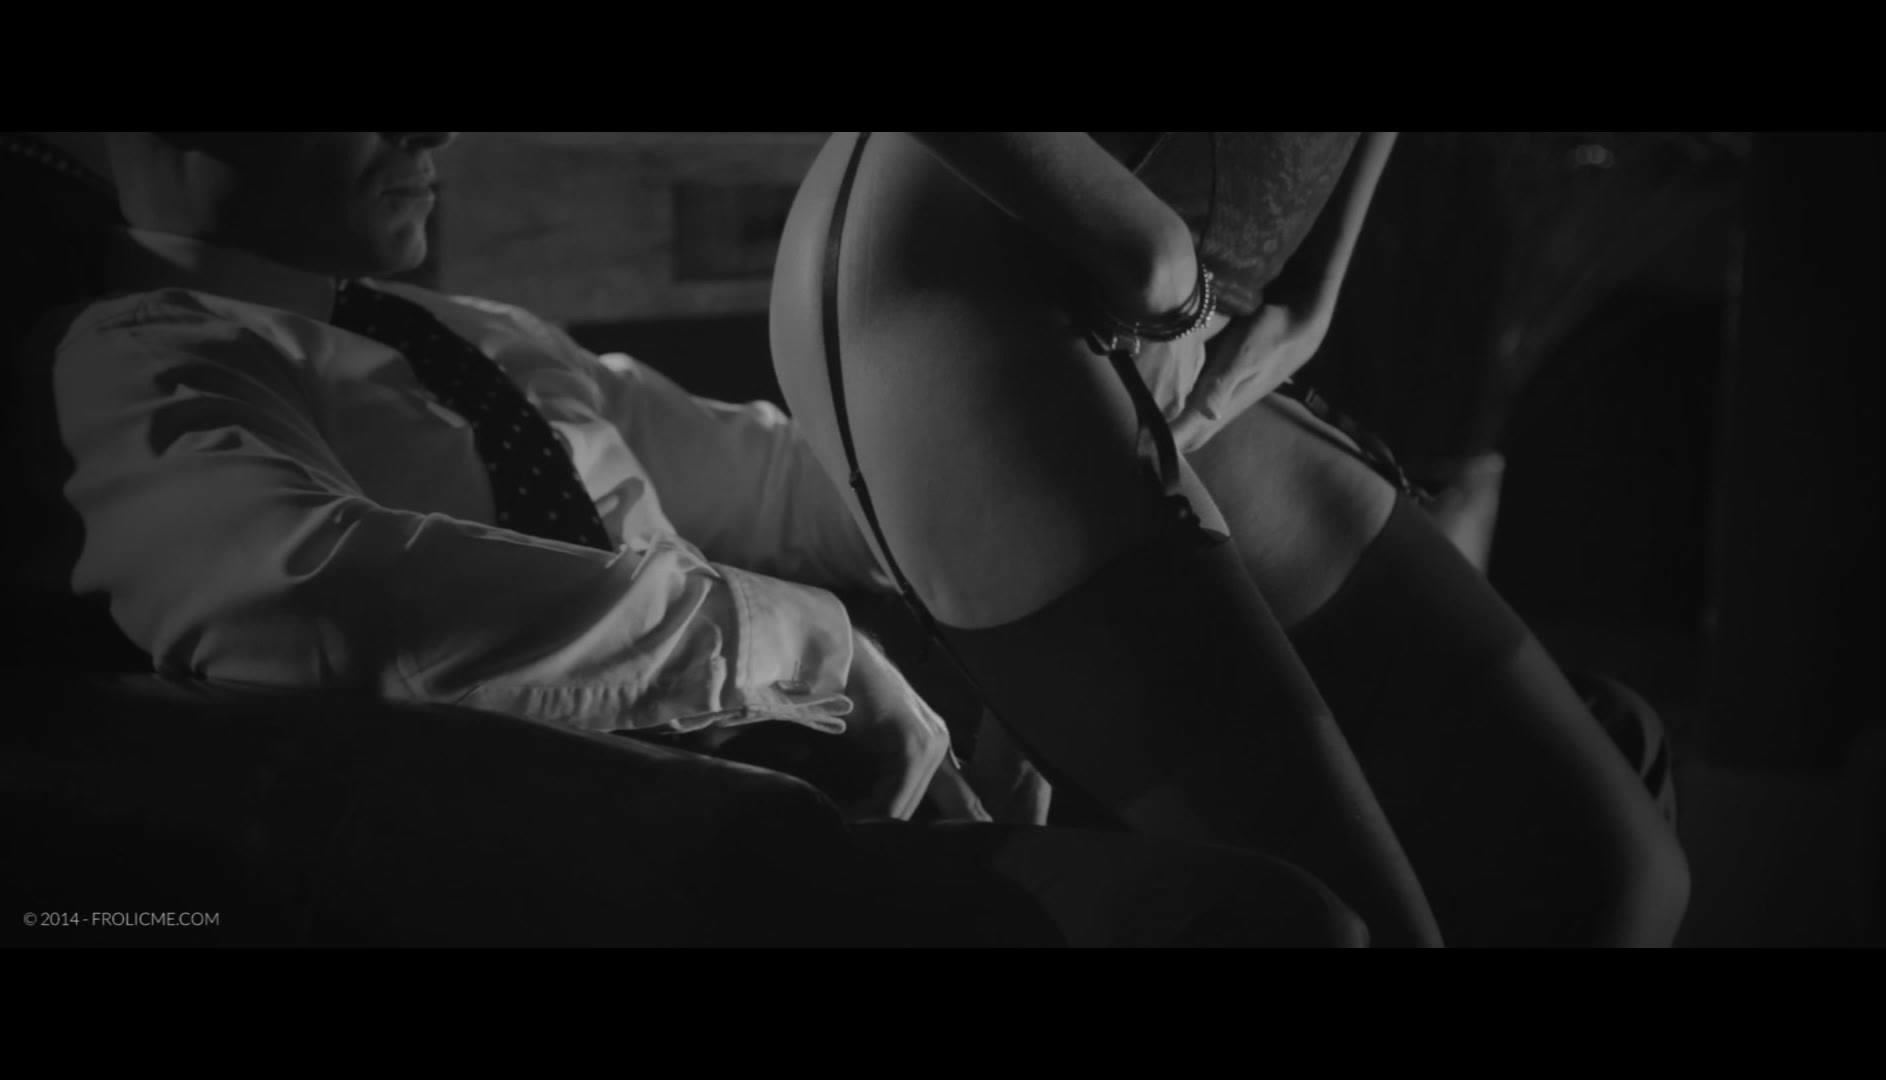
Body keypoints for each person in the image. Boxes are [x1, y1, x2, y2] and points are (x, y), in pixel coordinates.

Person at [768, 131, 1691, 947]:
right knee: (1355, 931)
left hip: (1183, 298)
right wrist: (1159, 259)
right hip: (986, 257)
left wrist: (1317, 280)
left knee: (1613, 874)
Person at [44, 131, 983, 825]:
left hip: (796, 800)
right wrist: (806, 649)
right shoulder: (143, 352)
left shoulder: (476, 331)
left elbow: (779, 486)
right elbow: (300, 592)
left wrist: (1015, 538)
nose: (436, 135)